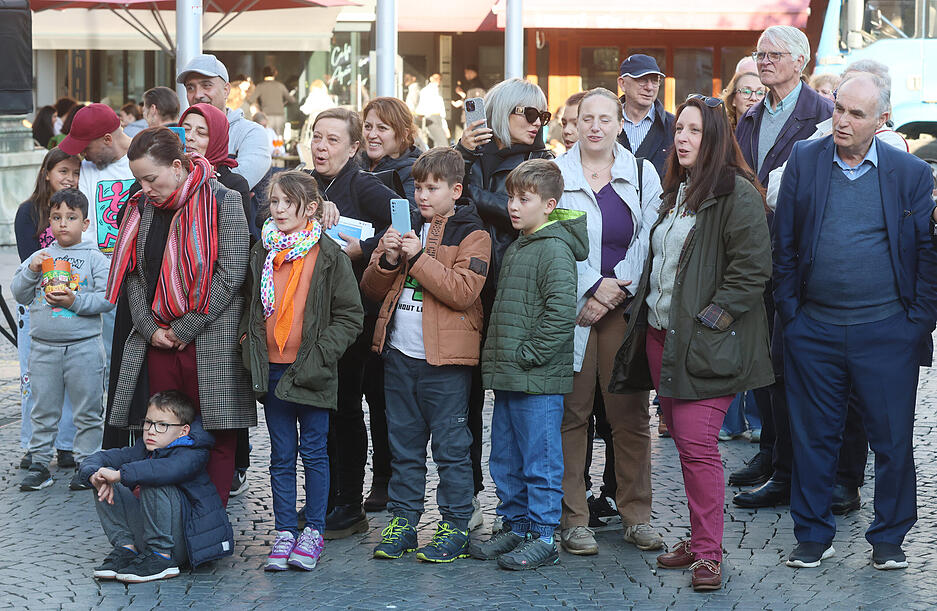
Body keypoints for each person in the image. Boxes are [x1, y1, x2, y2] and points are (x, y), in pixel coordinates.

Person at [774, 72, 937, 571]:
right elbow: (784, 245)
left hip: (887, 331)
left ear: (881, 120)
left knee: (892, 441)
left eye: (856, 114)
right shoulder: (805, 159)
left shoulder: (910, 172)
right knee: (812, 438)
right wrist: (792, 316)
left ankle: (889, 539)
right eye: (838, 108)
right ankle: (812, 534)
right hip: (814, 329)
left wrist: (917, 324)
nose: (841, 121)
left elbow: (926, 254)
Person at [610, 94, 773, 591]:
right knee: (685, 446)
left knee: (699, 446)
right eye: (679, 128)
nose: (682, 138)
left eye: (695, 130)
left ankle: (708, 554)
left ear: (716, 138)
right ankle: (701, 537)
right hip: (664, 339)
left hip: (707, 343)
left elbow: (752, 271)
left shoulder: (737, 192)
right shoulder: (677, 191)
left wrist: (710, 321)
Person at [104, 126, 254, 507]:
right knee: (161, 430)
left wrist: (186, 327)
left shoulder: (224, 200)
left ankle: (208, 515)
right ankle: (165, 514)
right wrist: (149, 328)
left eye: (151, 179)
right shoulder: (142, 207)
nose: (145, 188)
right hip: (158, 340)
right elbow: (134, 274)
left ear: (176, 166)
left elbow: (232, 273)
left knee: (216, 433)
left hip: (212, 338)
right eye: (139, 180)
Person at [361, 147, 491, 562]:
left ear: (456, 191)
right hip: (399, 355)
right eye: (418, 187)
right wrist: (387, 259)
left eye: (432, 188)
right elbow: (371, 290)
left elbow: (463, 292)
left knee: (452, 450)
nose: (422, 196)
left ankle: (455, 524)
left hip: (447, 363)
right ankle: (403, 522)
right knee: (403, 446)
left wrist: (416, 257)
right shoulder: (404, 228)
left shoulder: (474, 234)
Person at [553, 87, 664, 556]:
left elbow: (651, 235)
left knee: (630, 416)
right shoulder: (555, 173)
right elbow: (550, 237)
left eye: (605, 119)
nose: (595, 127)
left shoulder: (641, 172)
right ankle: (573, 519)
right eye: (587, 118)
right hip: (572, 309)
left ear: (621, 125)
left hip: (624, 308)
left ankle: (636, 515)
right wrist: (592, 287)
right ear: (574, 124)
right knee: (572, 415)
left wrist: (615, 287)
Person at [731, 25, 833, 504]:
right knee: (758, 359)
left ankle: (789, 468)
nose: (764, 61)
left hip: (798, 257)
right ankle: (769, 452)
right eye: (760, 54)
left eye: (774, 54)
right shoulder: (751, 115)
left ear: (800, 61)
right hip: (752, 252)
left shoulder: (824, 114)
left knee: (788, 364)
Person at [240, 171, 362, 571]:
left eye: (286, 203)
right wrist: (248, 342)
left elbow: (350, 315)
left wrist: (321, 354)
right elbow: (250, 305)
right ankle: (284, 531)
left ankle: (313, 531)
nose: (277, 210)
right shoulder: (263, 250)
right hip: (273, 369)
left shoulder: (328, 254)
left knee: (314, 452)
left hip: (312, 370)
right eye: (273, 202)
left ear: (310, 208)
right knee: (281, 455)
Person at [469, 159, 587, 570]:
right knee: (506, 458)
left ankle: (543, 535)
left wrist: (527, 356)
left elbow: (560, 313)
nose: (513, 206)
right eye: (511, 198)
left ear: (549, 205)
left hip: (535, 377)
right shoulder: (523, 244)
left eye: (524, 199)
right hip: (511, 376)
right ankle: (516, 525)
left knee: (540, 459)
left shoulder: (553, 248)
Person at [457, 78, 554, 527]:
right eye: (528, 114)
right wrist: (462, 155)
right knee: (465, 402)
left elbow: (523, 215)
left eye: (543, 116)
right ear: (501, 113)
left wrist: (474, 195)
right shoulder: (470, 157)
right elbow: (443, 198)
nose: (537, 124)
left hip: (515, 293)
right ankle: (469, 496)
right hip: (469, 290)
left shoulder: (543, 162)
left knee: (520, 405)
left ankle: (526, 511)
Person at [302, 107, 402, 539]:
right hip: (309, 315)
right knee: (317, 408)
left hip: (355, 315)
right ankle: (323, 498)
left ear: (353, 147)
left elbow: (408, 222)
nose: (321, 147)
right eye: (316, 137)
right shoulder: (304, 181)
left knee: (345, 407)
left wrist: (366, 247)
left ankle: (348, 502)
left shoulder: (364, 184)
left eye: (332, 140)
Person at [12, 188, 115, 492]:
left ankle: (87, 464)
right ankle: (39, 463)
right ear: (49, 222)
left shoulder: (94, 258)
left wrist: (74, 301)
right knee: (43, 410)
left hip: (84, 348)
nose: (63, 224)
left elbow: (107, 298)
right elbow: (19, 293)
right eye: (56, 217)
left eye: (71, 217)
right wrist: (32, 271)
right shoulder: (41, 257)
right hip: (43, 348)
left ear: (85, 223)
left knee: (88, 410)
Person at [80, 391, 234, 583]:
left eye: (162, 425)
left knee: (152, 475)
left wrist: (120, 475)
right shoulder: (142, 449)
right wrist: (94, 475)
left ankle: (161, 557)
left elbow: (166, 469)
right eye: (148, 423)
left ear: (183, 431)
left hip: (185, 543)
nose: (151, 431)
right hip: (148, 534)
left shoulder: (194, 453)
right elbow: (97, 459)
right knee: (103, 476)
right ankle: (126, 548)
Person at [177, 53, 272, 190]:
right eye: (190, 88)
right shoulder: (180, 132)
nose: (198, 95)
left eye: (206, 85)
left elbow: (237, 185)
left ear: (226, 90)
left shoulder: (250, 133)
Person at [60, 104, 135, 257]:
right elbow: (86, 222)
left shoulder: (144, 158)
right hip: (99, 264)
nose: (82, 154)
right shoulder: (88, 166)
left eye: (86, 148)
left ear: (107, 139)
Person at [179, 103, 252, 229]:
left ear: (216, 140)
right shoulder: (167, 175)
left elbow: (235, 236)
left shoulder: (233, 186)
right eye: (185, 129)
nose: (189, 137)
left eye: (201, 133)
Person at [616, 54, 675, 177]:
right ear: (622, 83)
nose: (649, 87)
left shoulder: (674, 126)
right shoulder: (605, 125)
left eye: (655, 81)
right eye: (642, 80)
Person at [361, 96, 422, 203]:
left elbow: (408, 211)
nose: (371, 135)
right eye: (367, 126)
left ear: (404, 134)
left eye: (382, 128)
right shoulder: (352, 161)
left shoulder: (417, 172)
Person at [248, 65, 296, 136]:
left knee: (268, 138)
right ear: (275, 74)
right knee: (279, 138)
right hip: (280, 116)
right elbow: (292, 100)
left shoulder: (260, 86)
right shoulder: (280, 85)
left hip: (267, 116)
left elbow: (250, 100)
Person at [415, 73, 449, 147]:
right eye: (435, 78)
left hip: (437, 119)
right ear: (431, 78)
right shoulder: (426, 91)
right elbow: (421, 108)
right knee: (442, 144)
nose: (437, 80)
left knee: (438, 143)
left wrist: (445, 126)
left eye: (439, 79)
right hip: (431, 119)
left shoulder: (437, 91)